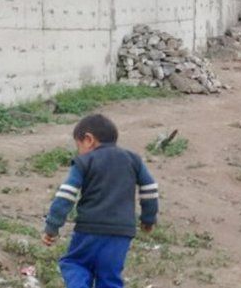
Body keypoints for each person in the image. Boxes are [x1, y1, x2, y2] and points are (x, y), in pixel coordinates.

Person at [41, 114, 159, 288]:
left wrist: (52, 227)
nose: (78, 151)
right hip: (121, 233)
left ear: (88, 140)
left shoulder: (84, 161)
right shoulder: (133, 159)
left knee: (75, 263)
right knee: (109, 277)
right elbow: (150, 188)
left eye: (78, 145)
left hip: (89, 229)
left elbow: (66, 195)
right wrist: (148, 219)